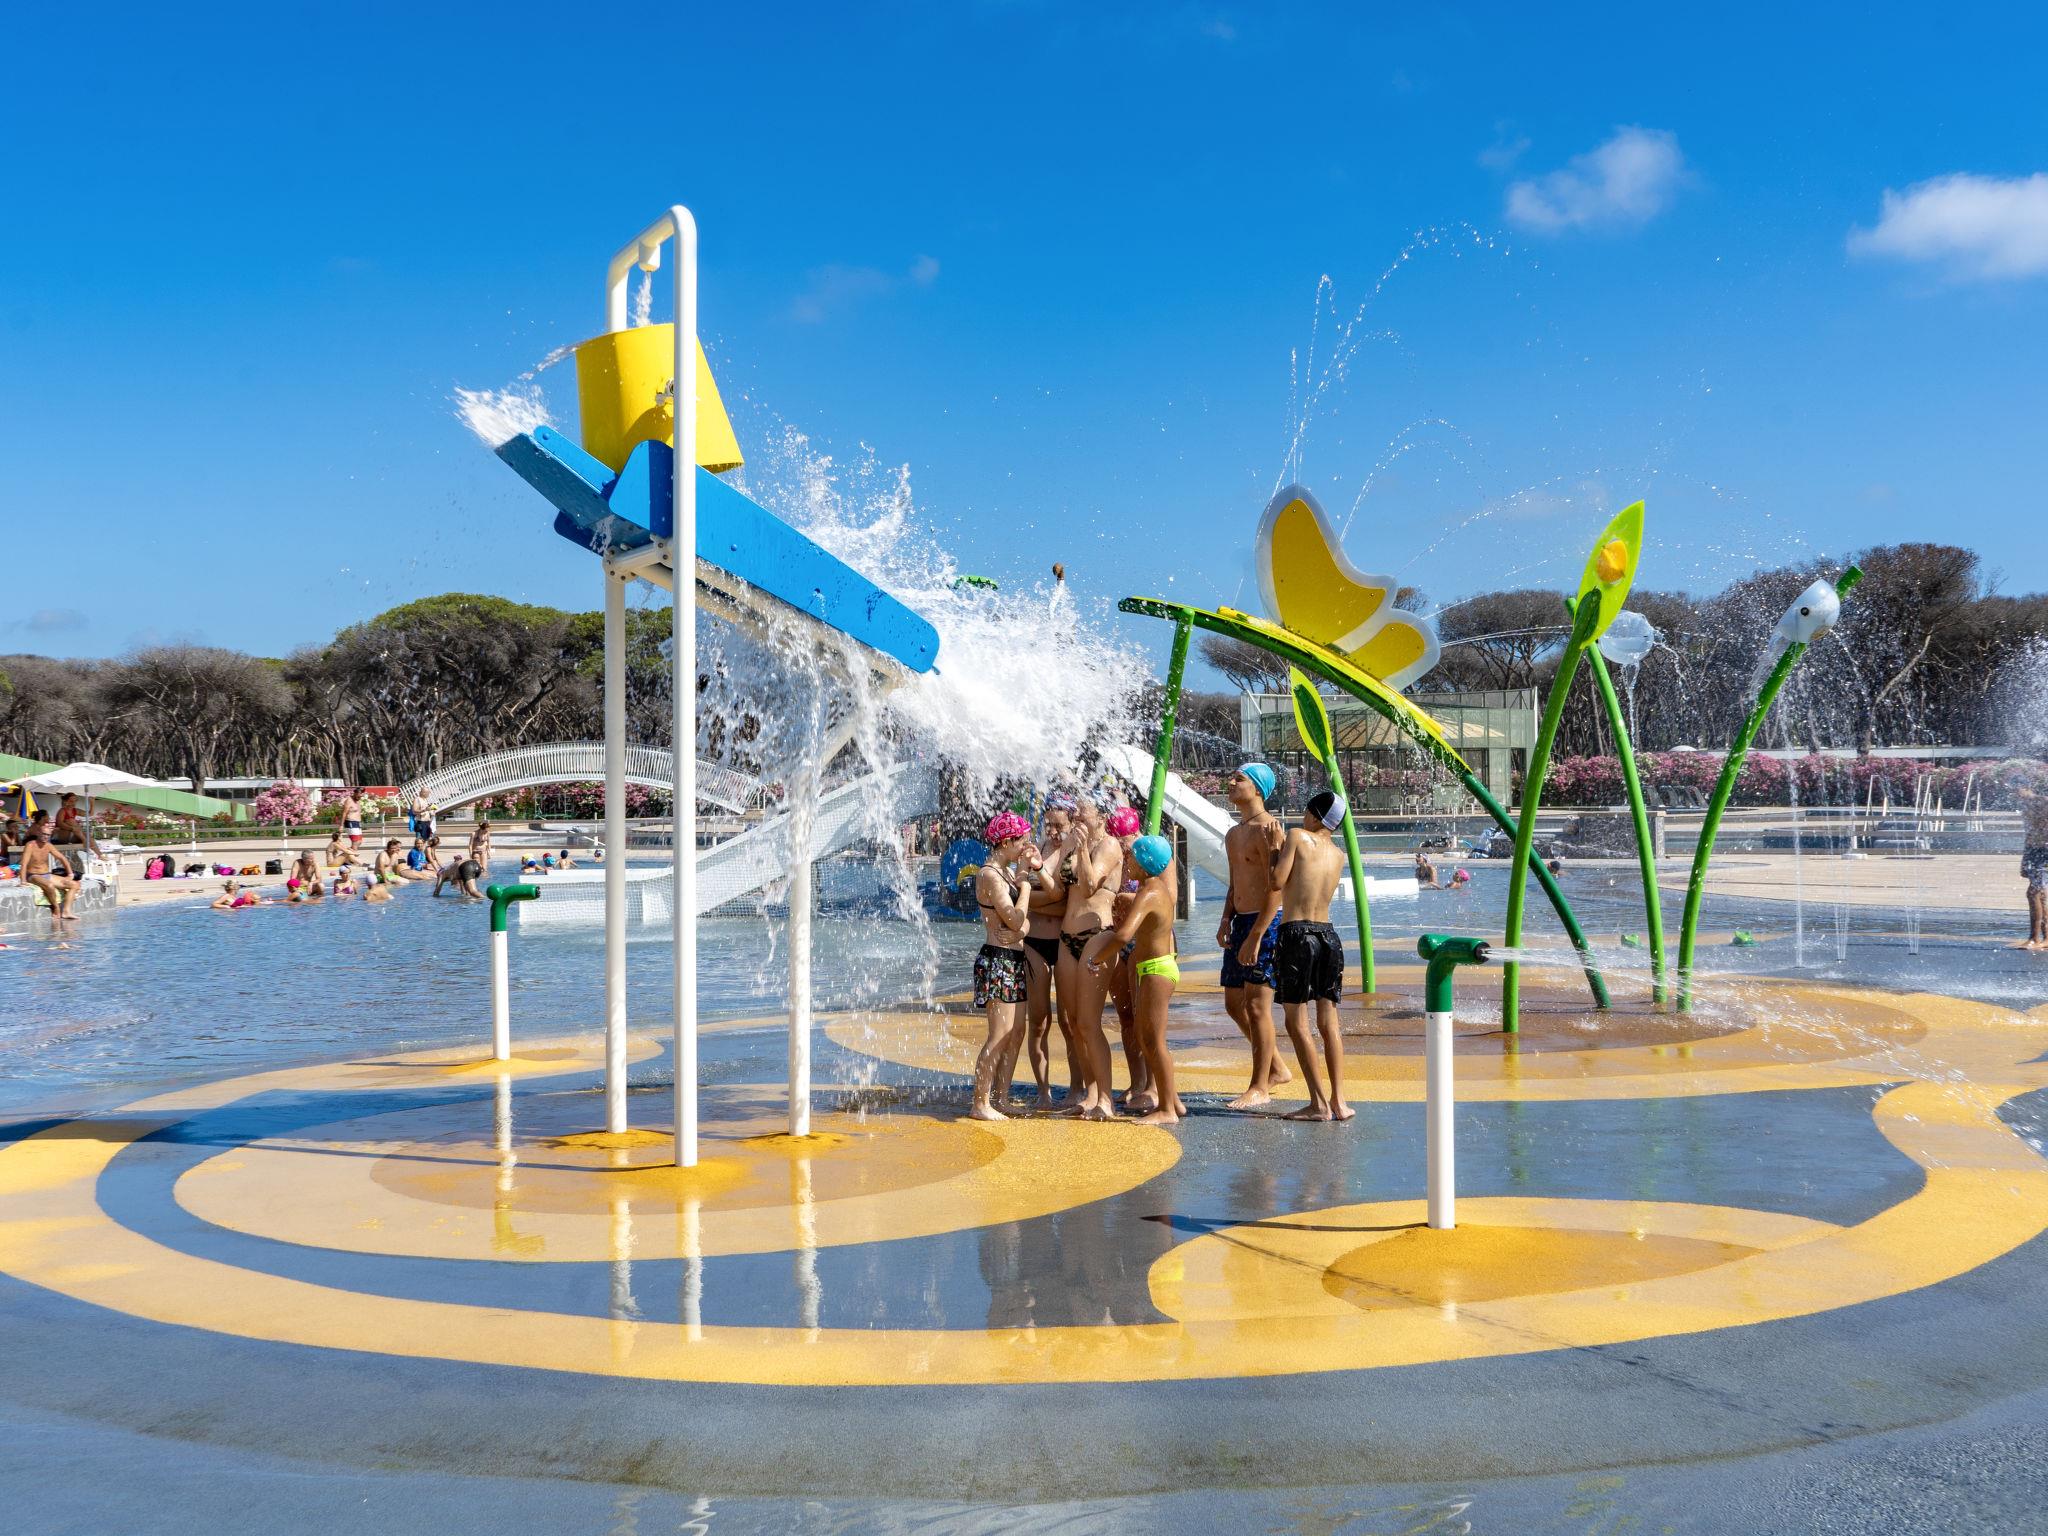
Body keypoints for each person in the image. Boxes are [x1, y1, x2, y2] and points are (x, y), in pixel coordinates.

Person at [1082, 833, 1182, 1125]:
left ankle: (1167, 1110)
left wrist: (1096, 959)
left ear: (1143, 863)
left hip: (1157, 969)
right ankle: (1173, 1101)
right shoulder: (1153, 889)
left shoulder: (1150, 892)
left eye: (1132, 858)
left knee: (1154, 1041)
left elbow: (1124, 935)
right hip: (1154, 967)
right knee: (1147, 1037)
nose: (1127, 862)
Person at [1273, 790, 1354, 1123]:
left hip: (1297, 935)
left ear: (1315, 815)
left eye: (1307, 811)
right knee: (1329, 1023)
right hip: (1329, 937)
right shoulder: (1339, 855)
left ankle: (1318, 1104)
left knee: (1296, 1022)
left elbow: (1276, 882)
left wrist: (1275, 849)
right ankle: (1339, 1101)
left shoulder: (1296, 836)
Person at [1217, 763, 1290, 1109]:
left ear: (1258, 789)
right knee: (1234, 1003)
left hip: (1266, 924)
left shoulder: (1269, 831)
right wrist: (1225, 919)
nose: (1230, 782)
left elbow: (1277, 889)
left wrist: (1257, 935)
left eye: (1239, 779)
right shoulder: (1233, 834)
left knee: (1258, 1007)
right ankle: (1276, 1068)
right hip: (1241, 922)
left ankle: (1259, 1086)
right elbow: (1236, 882)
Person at [1053, 795, 1121, 1116]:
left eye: (1084, 813)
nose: (1077, 817)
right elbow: (1058, 885)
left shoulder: (1109, 846)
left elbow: (1091, 885)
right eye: (1076, 813)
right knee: (1073, 1022)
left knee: (1090, 1023)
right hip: (1067, 937)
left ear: (1101, 817)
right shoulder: (1072, 841)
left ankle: (1107, 1099)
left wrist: (1080, 849)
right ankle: (1091, 1094)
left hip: (1096, 935)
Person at [970, 813, 1039, 1120]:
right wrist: (1026, 888)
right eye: (1022, 840)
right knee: (999, 1034)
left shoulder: (1006, 872)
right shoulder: (990, 875)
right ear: (1007, 841)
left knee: (1016, 1031)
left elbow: (1023, 924)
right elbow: (1014, 918)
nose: (1026, 845)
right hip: (998, 960)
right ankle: (980, 1103)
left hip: (1013, 958)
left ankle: (1001, 1098)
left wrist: (1021, 931)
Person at [1007, 795, 1074, 1109]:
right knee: (1039, 1020)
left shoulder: (1074, 853)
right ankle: (1043, 1091)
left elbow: (1065, 903)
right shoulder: (1035, 850)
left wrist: (1031, 900)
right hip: (1034, 941)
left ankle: (1077, 1087)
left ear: (1072, 822)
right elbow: (1015, 890)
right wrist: (1045, 898)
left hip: (1063, 941)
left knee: (1070, 1022)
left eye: (1060, 825)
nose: (1054, 831)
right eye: (1049, 825)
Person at [17, 817, 79, 921]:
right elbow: (24, 863)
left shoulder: (48, 845)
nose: (46, 837)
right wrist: (23, 881)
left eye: (48, 835)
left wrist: (70, 874)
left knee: (74, 884)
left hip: (46, 874)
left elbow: (62, 858)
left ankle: (66, 911)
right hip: (33, 875)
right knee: (50, 886)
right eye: (44, 834)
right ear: (38, 833)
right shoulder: (30, 845)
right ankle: (56, 907)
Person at [2020, 776, 2048, 951]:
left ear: (2026, 786)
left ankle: (2034, 938)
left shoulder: (2043, 802)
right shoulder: (2026, 804)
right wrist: (2025, 858)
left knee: (2033, 892)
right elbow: (2030, 832)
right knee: (2040, 893)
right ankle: (2045, 937)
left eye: (2016, 789)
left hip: (2045, 851)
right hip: (2033, 850)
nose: (2014, 794)